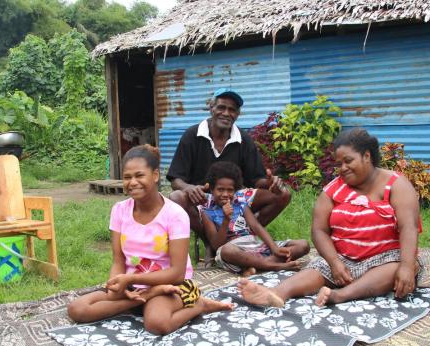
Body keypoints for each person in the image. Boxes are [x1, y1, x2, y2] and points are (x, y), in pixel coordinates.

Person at [238, 128, 423, 308]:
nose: (342, 168)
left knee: (399, 268)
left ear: (367, 156)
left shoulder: (396, 184)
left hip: (385, 259)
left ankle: (339, 295)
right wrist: (334, 263)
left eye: (348, 161)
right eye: (339, 163)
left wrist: (406, 267)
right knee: (316, 268)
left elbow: (409, 227)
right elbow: (319, 230)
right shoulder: (333, 189)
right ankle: (277, 293)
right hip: (342, 259)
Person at [67, 145, 232, 334]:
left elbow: (177, 273)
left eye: (139, 175)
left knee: (156, 324)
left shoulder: (175, 214)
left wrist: (133, 279)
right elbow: (118, 260)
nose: (133, 182)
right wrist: (118, 285)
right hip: (132, 285)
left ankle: (199, 305)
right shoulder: (120, 210)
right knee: (77, 309)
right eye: (127, 177)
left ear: (154, 176)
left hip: (172, 285)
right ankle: (137, 301)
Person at [167, 88, 290, 243]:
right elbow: (175, 179)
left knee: (283, 194)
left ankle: (241, 238)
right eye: (221, 107)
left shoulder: (244, 140)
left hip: (234, 198)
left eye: (232, 110)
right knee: (176, 197)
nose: (226, 113)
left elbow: (257, 180)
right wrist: (189, 188)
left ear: (237, 115)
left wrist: (271, 183)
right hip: (202, 199)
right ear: (212, 108)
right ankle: (212, 243)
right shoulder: (192, 135)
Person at [201, 161, 310, 276]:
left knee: (303, 245)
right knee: (227, 251)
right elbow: (216, 245)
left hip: (254, 246)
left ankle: (256, 266)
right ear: (212, 190)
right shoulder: (207, 213)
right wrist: (226, 220)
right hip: (235, 250)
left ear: (235, 190)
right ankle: (274, 266)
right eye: (220, 189)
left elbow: (256, 226)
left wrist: (274, 248)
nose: (225, 194)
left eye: (230, 190)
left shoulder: (241, 205)